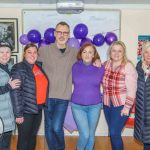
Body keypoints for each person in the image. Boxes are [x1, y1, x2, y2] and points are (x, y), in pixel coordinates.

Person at [38, 21, 101, 150]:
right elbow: (33, 68)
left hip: (63, 97)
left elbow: (88, 58)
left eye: (65, 33)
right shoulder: (43, 51)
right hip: (46, 97)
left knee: (56, 127)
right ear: (55, 34)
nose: (62, 35)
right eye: (59, 32)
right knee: (49, 128)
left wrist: (97, 60)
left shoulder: (75, 52)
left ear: (68, 35)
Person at [10, 43, 48, 150]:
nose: (32, 55)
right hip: (25, 111)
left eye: (35, 52)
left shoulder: (38, 67)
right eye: (29, 52)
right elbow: (15, 92)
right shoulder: (18, 68)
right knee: (24, 139)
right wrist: (18, 114)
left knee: (32, 138)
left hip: (38, 109)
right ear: (24, 54)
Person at [102, 41, 137, 150]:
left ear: (123, 53)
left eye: (119, 51)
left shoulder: (128, 66)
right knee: (113, 134)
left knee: (114, 132)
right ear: (110, 52)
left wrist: (127, 107)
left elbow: (132, 90)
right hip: (107, 104)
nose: (116, 53)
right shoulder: (105, 64)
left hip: (122, 105)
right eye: (114, 50)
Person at [71, 43, 104, 150]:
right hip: (77, 106)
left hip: (95, 106)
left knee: (91, 134)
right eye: (84, 51)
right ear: (81, 53)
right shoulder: (75, 66)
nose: (87, 54)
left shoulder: (100, 68)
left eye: (90, 52)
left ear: (94, 54)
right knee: (84, 134)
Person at [0, 41, 20, 150]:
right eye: (2, 52)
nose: (5, 55)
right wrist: (8, 86)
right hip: (0, 117)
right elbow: (9, 87)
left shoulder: (12, 68)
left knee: (5, 144)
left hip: (9, 115)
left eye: (7, 52)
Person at [134, 41, 150, 150]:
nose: (149, 55)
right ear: (143, 53)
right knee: (146, 140)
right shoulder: (138, 67)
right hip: (142, 111)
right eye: (146, 52)